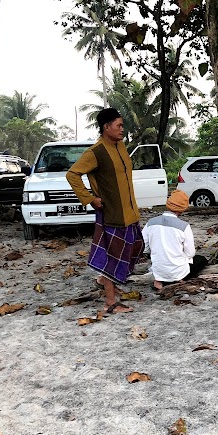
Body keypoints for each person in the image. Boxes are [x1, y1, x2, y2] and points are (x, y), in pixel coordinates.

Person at [66, 108, 144, 314]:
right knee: (113, 255)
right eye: (118, 126)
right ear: (106, 127)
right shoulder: (96, 152)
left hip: (130, 213)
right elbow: (73, 175)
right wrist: (90, 199)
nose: (122, 129)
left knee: (136, 247)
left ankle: (103, 280)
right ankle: (110, 302)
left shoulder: (121, 146)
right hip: (112, 214)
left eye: (122, 125)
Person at [142, 190, 208, 289]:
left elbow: (144, 248)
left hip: (158, 269)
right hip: (178, 270)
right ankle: (177, 280)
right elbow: (190, 253)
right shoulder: (184, 226)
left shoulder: (150, 223)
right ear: (183, 208)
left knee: (161, 260)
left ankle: (159, 281)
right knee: (201, 260)